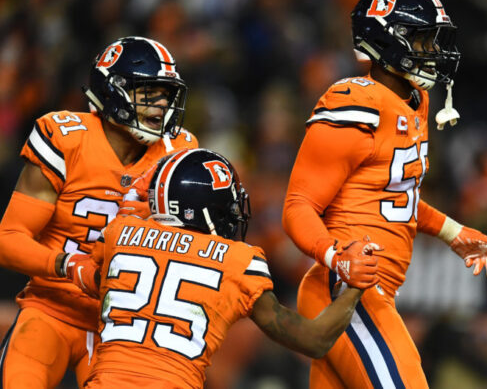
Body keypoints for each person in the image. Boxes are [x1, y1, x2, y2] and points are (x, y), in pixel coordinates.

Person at [282, 0, 487, 388]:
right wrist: (337, 257)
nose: (432, 51)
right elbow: (298, 205)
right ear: (386, 41)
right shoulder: (355, 102)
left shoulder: (415, 101)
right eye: (421, 40)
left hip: (368, 290)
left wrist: (452, 232)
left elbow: (394, 194)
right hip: (348, 289)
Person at [64, 148, 381, 388]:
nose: (232, 216)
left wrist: (132, 202)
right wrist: (354, 285)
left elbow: (89, 273)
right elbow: (314, 339)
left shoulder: (120, 233)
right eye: (227, 208)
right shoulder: (237, 260)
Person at [0, 36, 198, 388]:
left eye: (167, 93)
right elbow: (8, 239)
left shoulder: (178, 151)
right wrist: (68, 265)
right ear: (113, 91)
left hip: (123, 329)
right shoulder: (66, 138)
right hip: (51, 309)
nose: (162, 104)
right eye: (149, 92)